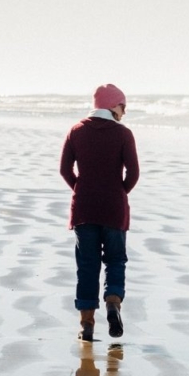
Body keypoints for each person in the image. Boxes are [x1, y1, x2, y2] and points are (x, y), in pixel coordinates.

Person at [59, 83, 139, 341]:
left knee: (87, 264)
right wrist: (119, 193)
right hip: (114, 208)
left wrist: (80, 190)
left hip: (84, 208)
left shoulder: (76, 131)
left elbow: (65, 170)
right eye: (122, 105)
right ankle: (113, 302)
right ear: (111, 105)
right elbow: (134, 173)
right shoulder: (124, 134)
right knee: (115, 259)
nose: (124, 111)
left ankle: (86, 324)